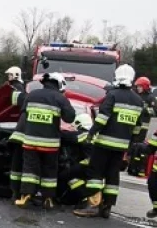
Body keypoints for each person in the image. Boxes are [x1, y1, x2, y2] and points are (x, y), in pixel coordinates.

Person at [74, 64, 144, 218]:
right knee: (113, 175)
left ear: (116, 77)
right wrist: (130, 144)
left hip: (104, 142)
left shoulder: (112, 96)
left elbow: (102, 118)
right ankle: (107, 206)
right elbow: (137, 127)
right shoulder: (138, 101)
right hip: (122, 146)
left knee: (95, 172)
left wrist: (91, 134)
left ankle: (92, 205)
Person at [14, 72, 75, 209]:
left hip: (30, 141)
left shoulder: (32, 95)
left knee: (29, 168)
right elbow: (70, 118)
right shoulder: (59, 98)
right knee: (49, 170)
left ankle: (25, 196)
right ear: (59, 85)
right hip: (50, 144)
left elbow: (24, 113)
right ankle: (48, 198)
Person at [56, 113, 94, 205]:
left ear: (79, 123)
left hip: (87, 164)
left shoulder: (84, 134)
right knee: (75, 179)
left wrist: (54, 130)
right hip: (97, 166)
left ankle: (60, 197)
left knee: (63, 175)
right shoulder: (95, 134)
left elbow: (67, 136)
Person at [126, 76, 155, 176]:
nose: (138, 88)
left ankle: (135, 164)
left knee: (137, 145)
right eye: (137, 86)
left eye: (140, 86)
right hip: (133, 123)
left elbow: (153, 112)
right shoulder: (135, 95)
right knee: (130, 144)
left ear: (145, 87)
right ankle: (129, 163)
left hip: (143, 126)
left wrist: (142, 109)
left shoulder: (150, 98)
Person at [6, 66, 27, 197]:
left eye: (9, 75)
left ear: (15, 75)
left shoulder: (17, 87)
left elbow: (13, 103)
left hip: (19, 130)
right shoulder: (19, 87)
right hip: (21, 129)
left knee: (17, 163)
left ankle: (15, 192)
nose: (8, 77)